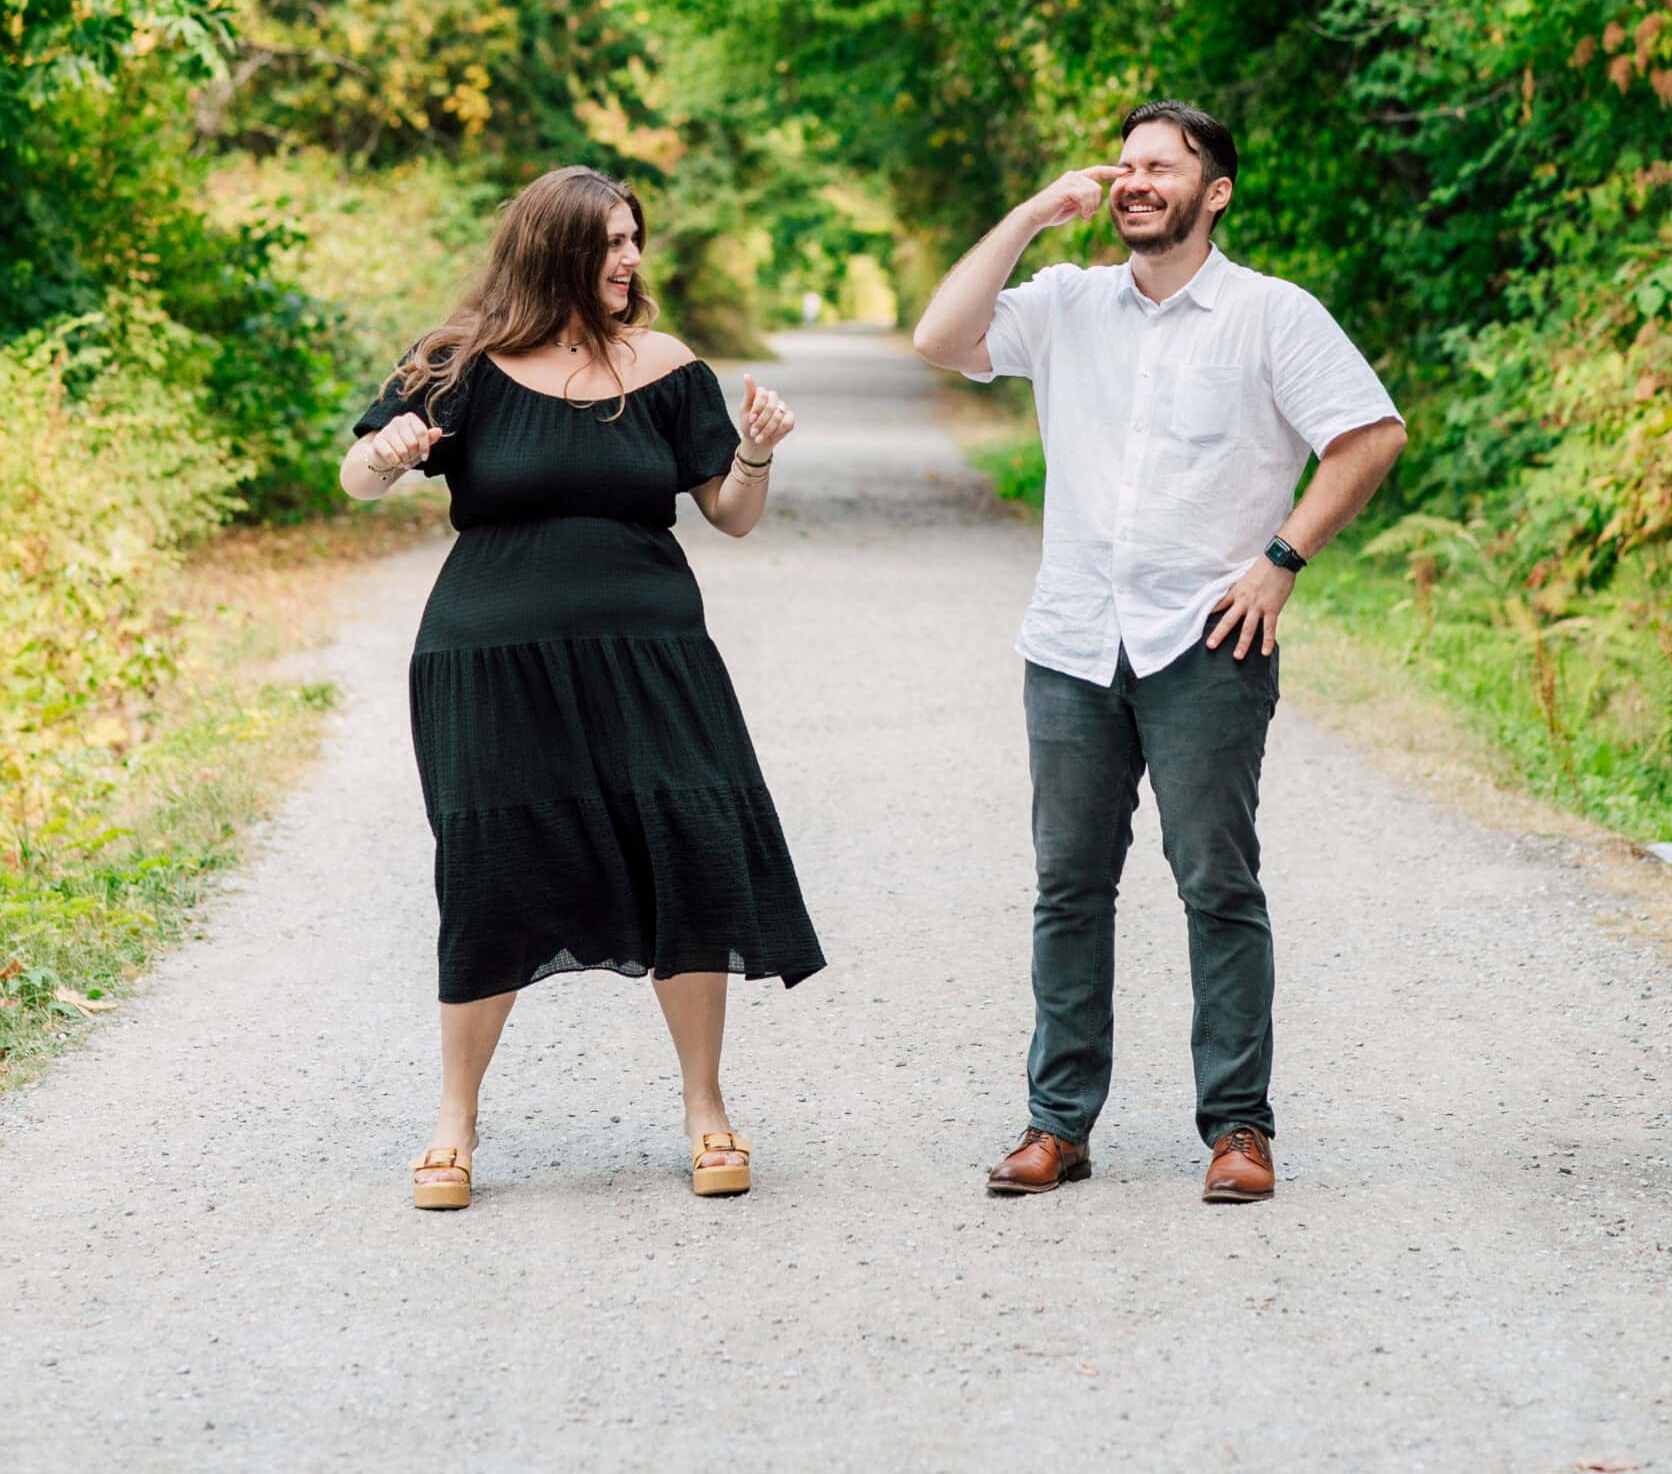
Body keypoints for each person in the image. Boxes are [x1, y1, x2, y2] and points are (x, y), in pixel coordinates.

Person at [913, 100, 1405, 1205]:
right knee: (1069, 887)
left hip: (1207, 642)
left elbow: (1370, 433)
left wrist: (1284, 555)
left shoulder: (1272, 315)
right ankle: (1057, 1124)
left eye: (1160, 167)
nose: (1134, 181)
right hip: (1074, 637)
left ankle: (1239, 1127)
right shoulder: (1069, 304)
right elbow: (940, 338)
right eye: (1123, 164)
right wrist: (1040, 212)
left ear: (1213, 191)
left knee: (1216, 882)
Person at [341, 164, 824, 1211]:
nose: (631, 257)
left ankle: (706, 1111)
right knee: (492, 865)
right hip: (488, 657)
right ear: (553, 247)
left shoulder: (665, 365)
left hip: (653, 651)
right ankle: (454, 1123)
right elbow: (357, 474)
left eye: (634, 238)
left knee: (690, 847)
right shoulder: (457, 360)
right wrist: (385, 452)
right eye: (609, 241)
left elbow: (731, 514)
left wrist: (752, 453)